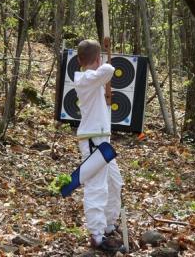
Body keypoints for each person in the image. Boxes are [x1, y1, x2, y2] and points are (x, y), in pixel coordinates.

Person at [74, 39, 124, 253]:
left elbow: (104, 73)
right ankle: (96, 235)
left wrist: (101, 54)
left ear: (78, 59)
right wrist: (104, 57)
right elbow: (108, 70)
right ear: (96, 59)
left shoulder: (92, 79)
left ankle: (109, 224)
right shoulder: (84, 79)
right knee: (97, 185)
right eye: (99, 58)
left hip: (102, 138)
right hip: (93, 139)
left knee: (114, 182)